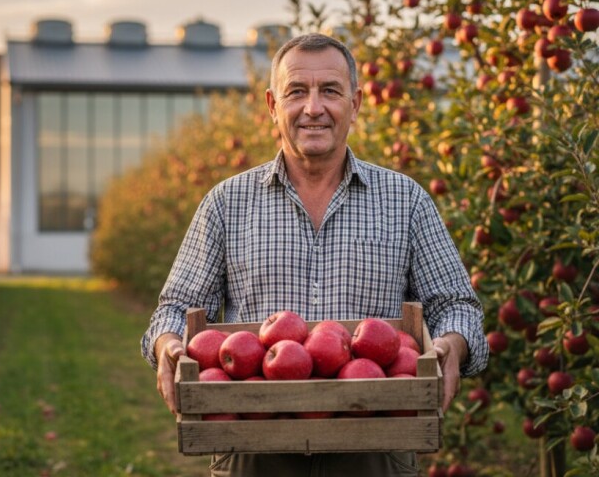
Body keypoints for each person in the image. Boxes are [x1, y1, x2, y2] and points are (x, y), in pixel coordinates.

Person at [140, 33, 488, 476]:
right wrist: (169, 345)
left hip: (375, 441)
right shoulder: (226, 203)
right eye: (297, 92)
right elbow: (174, 309)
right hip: (254, 441)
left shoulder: (406, 201)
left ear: (356, 103)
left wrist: (450, 344)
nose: (313, 108)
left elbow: (457, 306)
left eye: (330, 90)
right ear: (272, 105)